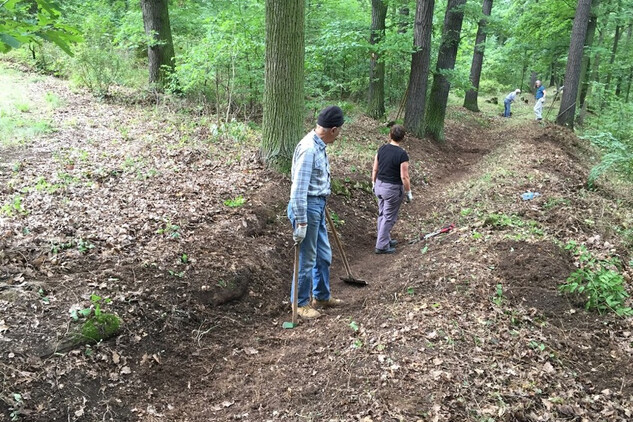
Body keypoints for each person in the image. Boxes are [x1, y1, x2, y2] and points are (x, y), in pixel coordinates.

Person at [287, 106, 345, 319]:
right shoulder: (309, 148)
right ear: (333, 129)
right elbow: (298, 189)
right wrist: (301, 222)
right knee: (307, 257)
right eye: (339, 131)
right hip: (306, 208)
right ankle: (300, 303)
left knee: (323, 255)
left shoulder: (319, 146)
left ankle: (321, 296)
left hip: (317, 205)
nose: (339, 135)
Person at [371, 124, 412, 254]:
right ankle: (381, 245)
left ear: (390, 135)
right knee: (389, 217)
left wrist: (373, 182)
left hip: (379, 186)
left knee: (382, 213)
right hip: (392, 189)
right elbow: (404, 176)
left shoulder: (381, 149)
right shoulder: (402, 154)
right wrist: (409, 192)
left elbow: (375, 168)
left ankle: (384, 238)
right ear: (403, 138)